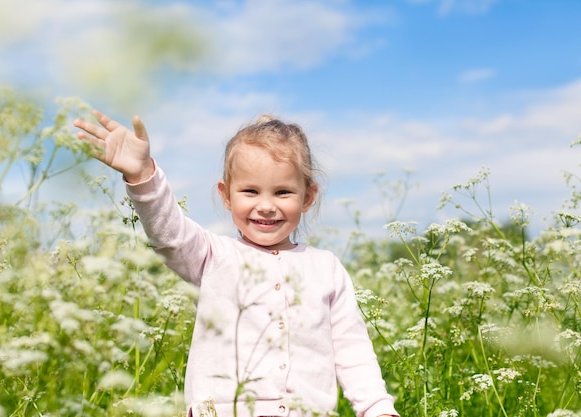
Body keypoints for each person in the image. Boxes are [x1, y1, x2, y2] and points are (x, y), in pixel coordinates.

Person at [74, 110, 399, 417]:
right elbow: (169, 234)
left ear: (308, 196)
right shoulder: (214, 256)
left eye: (283, 192)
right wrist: (142, 175)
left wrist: (377, 407)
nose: (266, 206)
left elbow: (351, 348)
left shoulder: (326, 268)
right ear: (226, 195)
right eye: (250, 191)